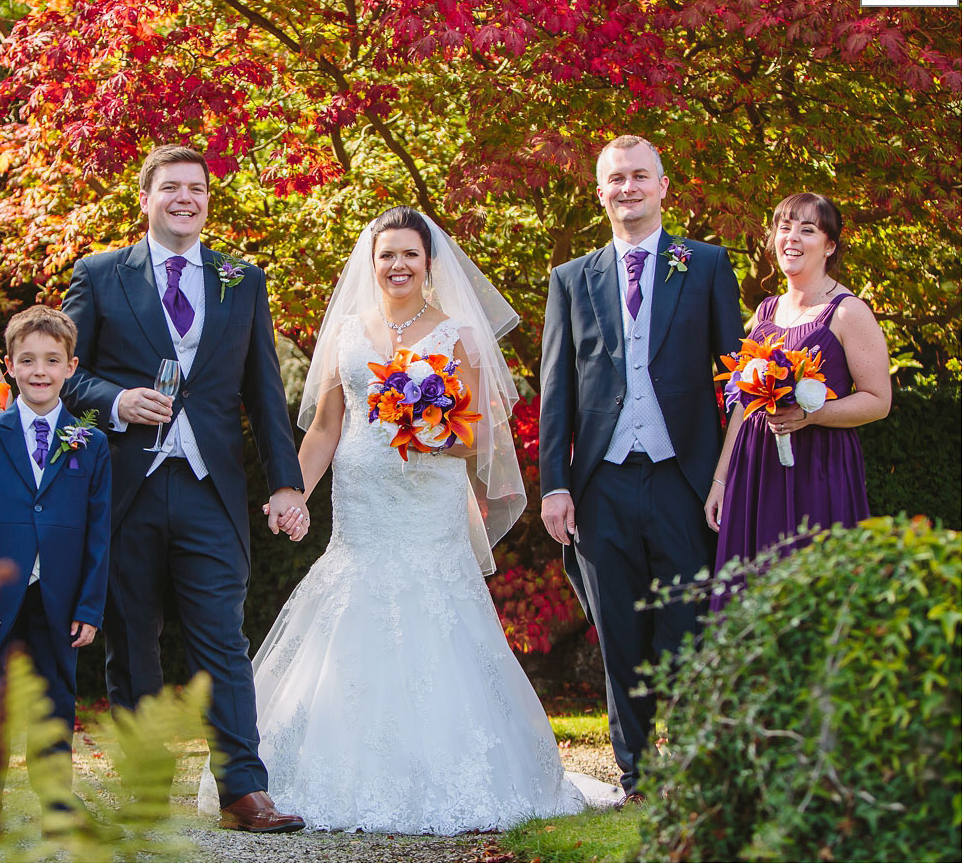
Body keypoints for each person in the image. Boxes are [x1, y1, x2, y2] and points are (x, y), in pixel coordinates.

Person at [245, 207, 615, 834]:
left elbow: (481, 441)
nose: (397, 266)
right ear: (372, 264)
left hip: (429, 502)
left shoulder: (457, 336)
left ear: (429, 263)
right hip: (363, 504)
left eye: (409, 255)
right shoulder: (346, 335)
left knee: (437, 613)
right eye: (386, 255)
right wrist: (296, 492)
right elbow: (327, 429)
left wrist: (432, 433)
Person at [61, 144, 308, 833]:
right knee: (131, 640)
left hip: (210, 489)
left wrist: (286, 482)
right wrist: (116, 402)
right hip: (126, 485)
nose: (184, 199)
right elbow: (61, 374)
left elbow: (263, 392)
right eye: (170, 188)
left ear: (207, 200)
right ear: (145, 198)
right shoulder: (101, 274)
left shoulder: (242, 280)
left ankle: (243, 790)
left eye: (196, 189)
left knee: (222, 639)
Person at [538, 135, 744, 799]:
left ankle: (689, 765)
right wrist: (556, 485)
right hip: (602, 484)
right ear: (600, 192)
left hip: (684, 479)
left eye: (638, 176)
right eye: (615, 179)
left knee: (686, 624)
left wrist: (725, 478)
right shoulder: (572, 278)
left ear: (662, 187)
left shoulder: (706, 265)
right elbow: (556, 391)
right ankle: (637, 774)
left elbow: (737, 377)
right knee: (621, 632)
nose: (627, 188)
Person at [0, 306, 111, 848]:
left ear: (70, 366)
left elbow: (98, 531)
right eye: (27, 360)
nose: (39, 371)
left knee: (54, 699)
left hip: (59, 596)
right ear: (10, 366)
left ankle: (57, 802)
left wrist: (90, 605)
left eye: (51, 361)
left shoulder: (90, 440)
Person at [705, 194, 890, 607]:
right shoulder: (766, 310)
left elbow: (879, 400)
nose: (791, 237)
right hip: (755, 473)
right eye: (784, 227)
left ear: (830, 245)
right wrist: (722, 481)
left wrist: (813, 414)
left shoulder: (847, 312)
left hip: (818, 471)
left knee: (811, 596)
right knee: (753, 596)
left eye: (807, 229)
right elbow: (742, 404)